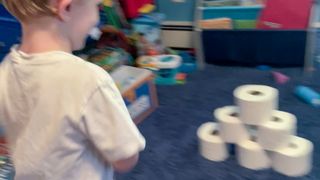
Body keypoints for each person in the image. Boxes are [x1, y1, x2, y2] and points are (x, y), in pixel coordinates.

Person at [0, 0, 145, 179]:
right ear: (66, 8)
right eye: (96, 7)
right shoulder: (90, 80)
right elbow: (126, 159)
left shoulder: (5, 69)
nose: (96, 20)